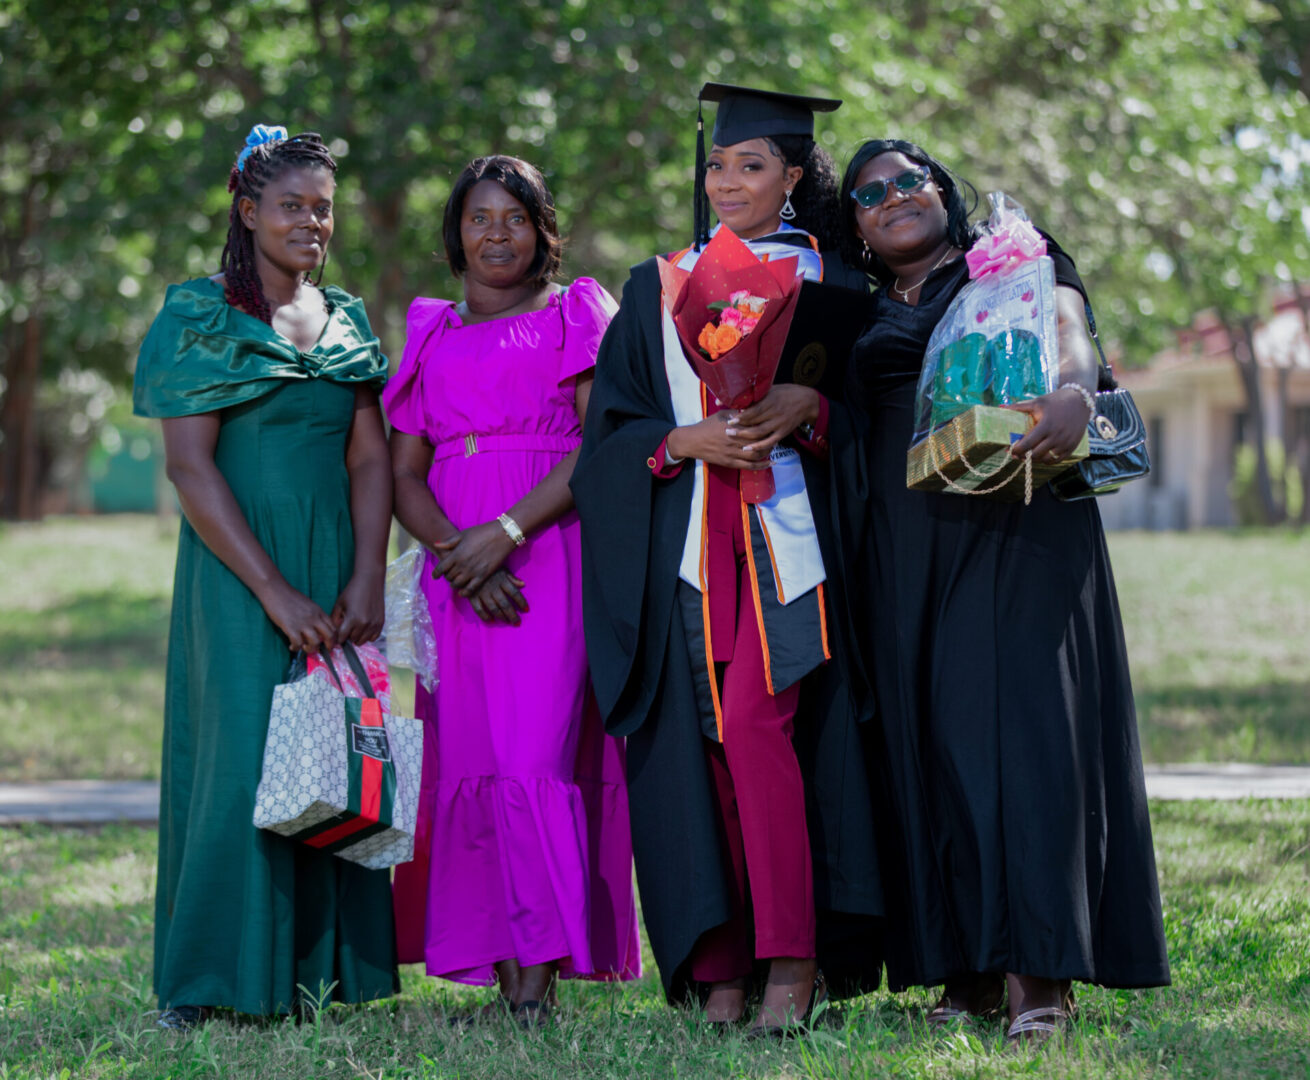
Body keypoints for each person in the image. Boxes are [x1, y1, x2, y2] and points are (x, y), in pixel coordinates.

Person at [836, 138, 1170, 1043]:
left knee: (1026, 738)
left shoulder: (1011, 259)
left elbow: (1067, 330)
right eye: (870, 194)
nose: (894, 197)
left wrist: (1072, 391)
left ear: (945, 193)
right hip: (906, 549)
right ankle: (968, 967)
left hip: (1018, 515)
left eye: (912, 181)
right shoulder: (857, 308)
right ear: (857, 224)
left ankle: (1041, 975)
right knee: (935, 742)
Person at [572, 85, 882, 1035]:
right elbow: (613, 437)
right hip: (688, 555)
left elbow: (869, 421)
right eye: (718, 165)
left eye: (753, 165)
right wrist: (682, 444)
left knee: (755, 726)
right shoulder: (656, 285)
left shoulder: (835, 285)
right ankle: (722, 968)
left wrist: (814, 414)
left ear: (793, 176)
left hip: (789, 550)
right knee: (696, 753)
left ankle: (792, 960)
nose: (729, 182)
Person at [133, 125, 396, 1027]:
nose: (311, 222)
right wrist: (274, 593)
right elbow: (191, 471)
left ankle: (327, 976)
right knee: (239, 764)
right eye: (292, 206)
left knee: (333, 759)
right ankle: (209, 983)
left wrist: (367, 575)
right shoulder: (198, 315)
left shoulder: (348, 317)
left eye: (323, 208)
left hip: (334, 563)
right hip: (239, 573)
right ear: (249, 212)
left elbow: (371, 461)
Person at [385, 155, 640, 1026]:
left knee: (534, 758)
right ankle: (497, 966)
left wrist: (509, 536)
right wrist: (460, 553)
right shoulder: (430, 329)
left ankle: (537, 976)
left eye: (516, 218)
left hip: (549, 556)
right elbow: (404, 471)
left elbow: (595, 444)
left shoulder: (576, 313)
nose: (497, 234)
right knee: (469, 765)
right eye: (479, 218)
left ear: (543, 232)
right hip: (456, 571)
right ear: (455, 233)